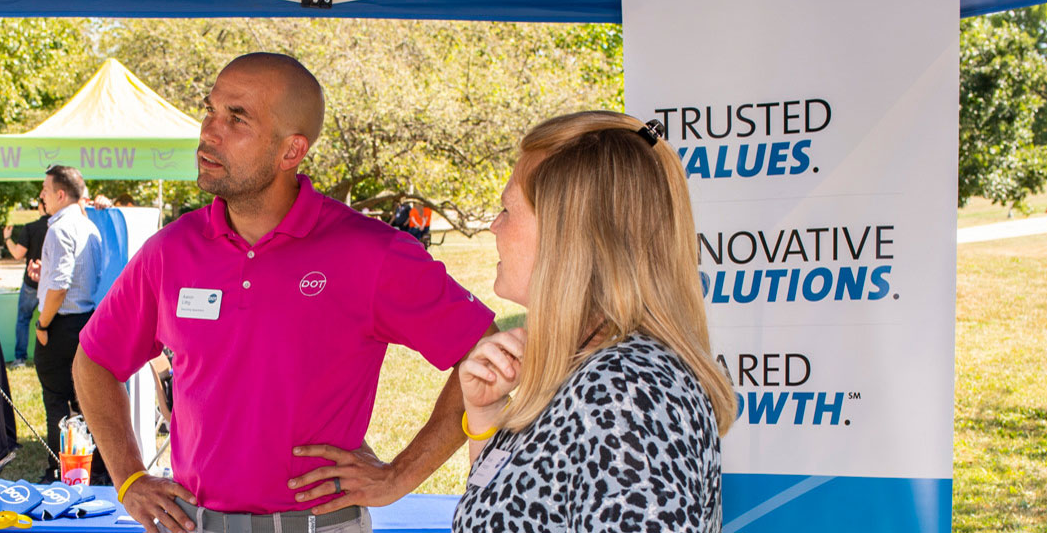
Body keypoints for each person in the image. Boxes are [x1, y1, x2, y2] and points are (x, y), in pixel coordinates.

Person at [73, 53, 496, 533]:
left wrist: (399, 476)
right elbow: (95, 360)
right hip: (193, 524)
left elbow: (483, 350)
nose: (209, 132)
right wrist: (129, 478)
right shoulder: (170, 251)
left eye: (237, 119)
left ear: (291, 152)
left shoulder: (369, 251)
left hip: (322, 526)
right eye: (210, 110)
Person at [450, 112, 734, 532]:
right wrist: (486, 415)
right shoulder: (596, 369)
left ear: (566, 234)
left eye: (507, 209)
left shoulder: (628, 392)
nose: (494, 225)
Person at [33, 165, 108, 483]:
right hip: (86, 321)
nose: (43, 197)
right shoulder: (89, 227)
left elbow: (61, 285)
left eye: (46, 191)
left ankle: (59, 469)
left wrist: (42, 323)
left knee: (57, 400)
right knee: (85, 398)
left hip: (61, 324)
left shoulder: (60, 227)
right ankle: (97, 465)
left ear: (61, 194)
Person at [3, 205, 51, 366]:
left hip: (31, 284)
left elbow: (17, 254)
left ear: (40, 206)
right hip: (52, 284)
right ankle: (49, 358)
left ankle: (20, 358)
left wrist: (7, 238)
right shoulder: (59, 227)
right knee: (52, 322)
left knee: (23, 320)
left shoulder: (31, 228)